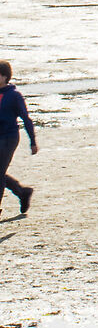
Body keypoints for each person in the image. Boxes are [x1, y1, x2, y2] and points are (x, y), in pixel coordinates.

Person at [0, 62, 34, 216]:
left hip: (9, 137)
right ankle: (22, 192)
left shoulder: (14, 96)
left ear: (5, 77)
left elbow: (26, 119)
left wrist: (33, 141)